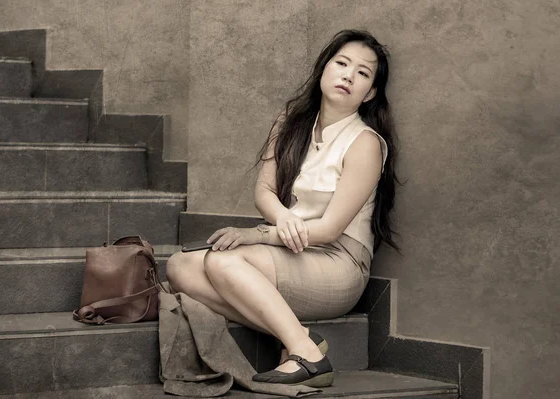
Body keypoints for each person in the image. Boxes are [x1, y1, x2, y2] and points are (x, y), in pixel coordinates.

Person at [166, 29, 399, 388]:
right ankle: (302, 337)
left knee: (222, 261)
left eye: (363, 73)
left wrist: (257, 234)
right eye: (342, 63)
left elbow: (330, 230)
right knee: (179, 266)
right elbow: (264, 191)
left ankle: (306, 356)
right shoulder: (290, 122)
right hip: (292, 246)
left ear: (369, 94)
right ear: (324, 68)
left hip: (337, 262)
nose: (349, 75)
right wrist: (283, 217)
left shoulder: (365, 143)